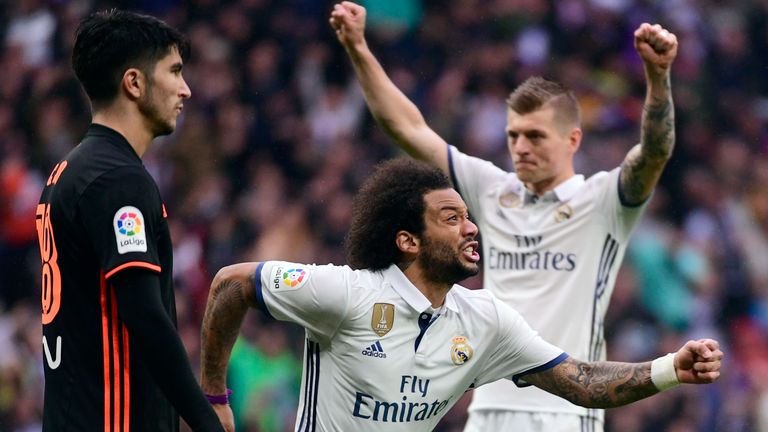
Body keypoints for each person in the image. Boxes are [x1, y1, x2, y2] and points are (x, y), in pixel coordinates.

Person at [330, 2, 678, 430]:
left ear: (573, 140)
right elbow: (407, 128)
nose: (520, 147)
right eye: (513, 135)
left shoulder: (605, 199)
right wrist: (359, 47)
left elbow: (655, 153)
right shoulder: (492, 189)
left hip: (567, 410)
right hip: (491, 410)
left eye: (535, 136)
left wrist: (658, 79)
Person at [199, 158, 722, 432]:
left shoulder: (485, 319)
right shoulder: (348, 293)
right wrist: (215, 396)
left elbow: (581, 381)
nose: (472, 228)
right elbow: (230, 283)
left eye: (470, 216)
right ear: (408, 240)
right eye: (452, 219)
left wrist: (670, 368)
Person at [35, 10, 224, 431]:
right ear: (134, 83)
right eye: (174, 71)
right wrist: (205, 422)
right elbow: (145, 317)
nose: (186, 90)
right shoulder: (118, 181)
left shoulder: (70, 171)